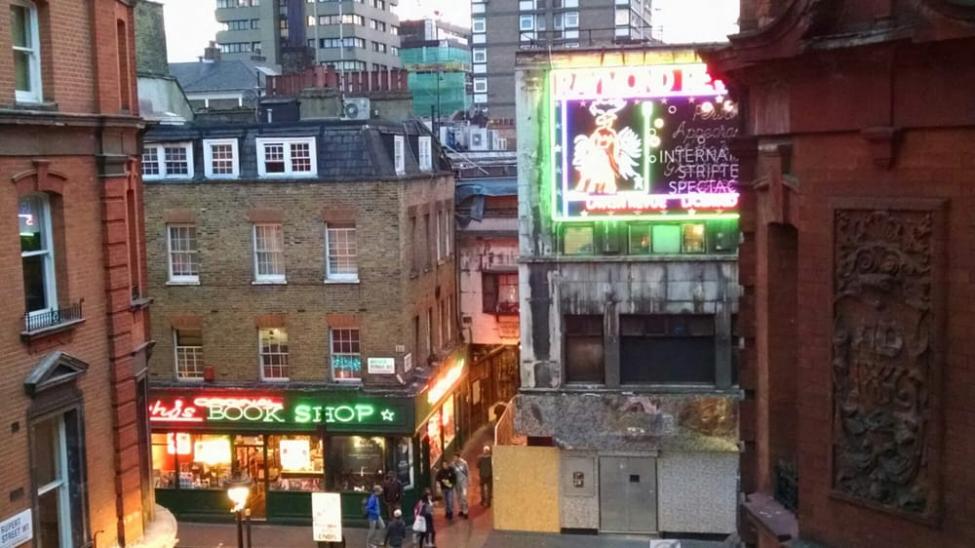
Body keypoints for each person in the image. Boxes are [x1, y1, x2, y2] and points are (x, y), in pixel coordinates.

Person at [452, 453, 470, 519]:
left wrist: (468, 480)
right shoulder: (453, 464)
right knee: (458, 497)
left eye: (455, 457)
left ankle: (466, 511)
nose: (454, 459)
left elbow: (467, 472)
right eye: (454, 458)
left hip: (463, 482)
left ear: (458, 457)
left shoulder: (464, 463)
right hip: (457, 483)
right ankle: (461, 510)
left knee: (464, 496)